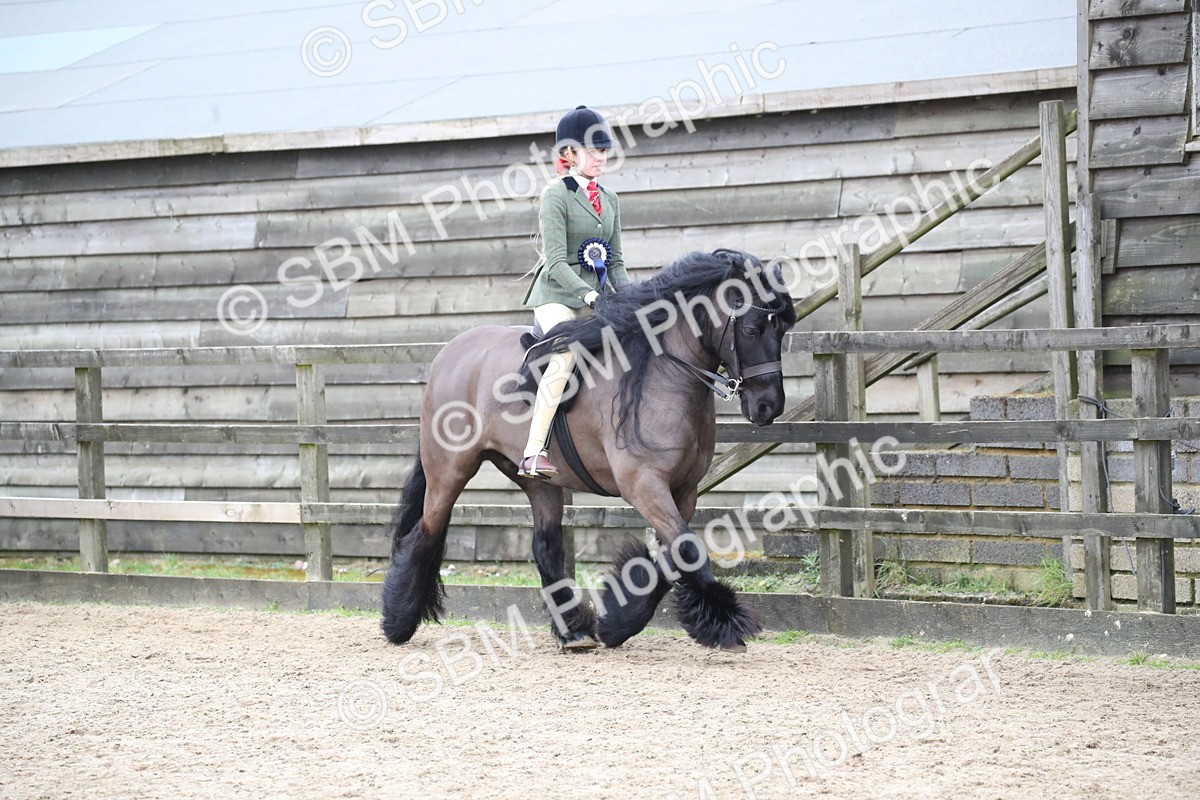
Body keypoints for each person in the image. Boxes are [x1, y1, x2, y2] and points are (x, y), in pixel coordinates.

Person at [518, 105, 630, 479]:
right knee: (565, 353)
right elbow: (556, 263)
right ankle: (534, 451)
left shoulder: (610, 199)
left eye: (603, 151)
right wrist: (590, 296)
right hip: (556, 297)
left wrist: (632, 302)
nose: (601, 157)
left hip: (595, 297)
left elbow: (614, 263)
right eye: (593, 151)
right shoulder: (556, 196)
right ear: (569, 154)